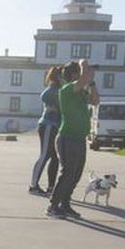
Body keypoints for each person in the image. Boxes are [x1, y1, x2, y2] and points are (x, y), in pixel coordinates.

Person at [48, 60, 98, 219]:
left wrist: (92, 83)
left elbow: (95, 101)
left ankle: (65, 203)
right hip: (67, 138)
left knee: (76, 174)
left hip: (79, 138)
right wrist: (84, 65)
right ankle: (53, 205)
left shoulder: (81, 91)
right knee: (68, 172)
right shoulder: (67, 89)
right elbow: (82, 79)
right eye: (80, 72)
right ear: (74, 75)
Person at [29, 66, 63, 195]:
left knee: (55, 157)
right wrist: (51, 106)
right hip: (48, 125)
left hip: (55, 126)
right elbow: (44, 96)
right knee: (45, 155)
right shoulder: (53, 89)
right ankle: (33, 186)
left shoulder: (60, 89)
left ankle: (51, 187)